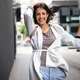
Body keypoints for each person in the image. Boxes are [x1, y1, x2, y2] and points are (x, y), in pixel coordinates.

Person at [24, 2, 80, 80]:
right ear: (35, 16)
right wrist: (33, 5)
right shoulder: (33, 30)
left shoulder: (57, 29)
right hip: (40, 69)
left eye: (43, 13)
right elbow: (27, 15)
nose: (41, 16)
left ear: (47, 14)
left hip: (57, 69)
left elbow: (74, 41)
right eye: (38, 14)